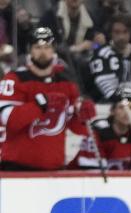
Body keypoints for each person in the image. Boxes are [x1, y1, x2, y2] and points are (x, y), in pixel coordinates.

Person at [0, 27, 96, 171]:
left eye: (47, 47)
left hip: (53, 169)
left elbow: (78, 129)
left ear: (54, 50)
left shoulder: (66, 82)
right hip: (17, 168)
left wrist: (84, 115)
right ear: (30, 50)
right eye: (37, 47)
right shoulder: (15, 79)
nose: (43, 52)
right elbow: (7, 120)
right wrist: (39, 105)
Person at [69, 87, 131, 170]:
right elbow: (91, 171)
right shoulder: (99, 131)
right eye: (121, 107)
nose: (127, 112)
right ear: (112, 111)